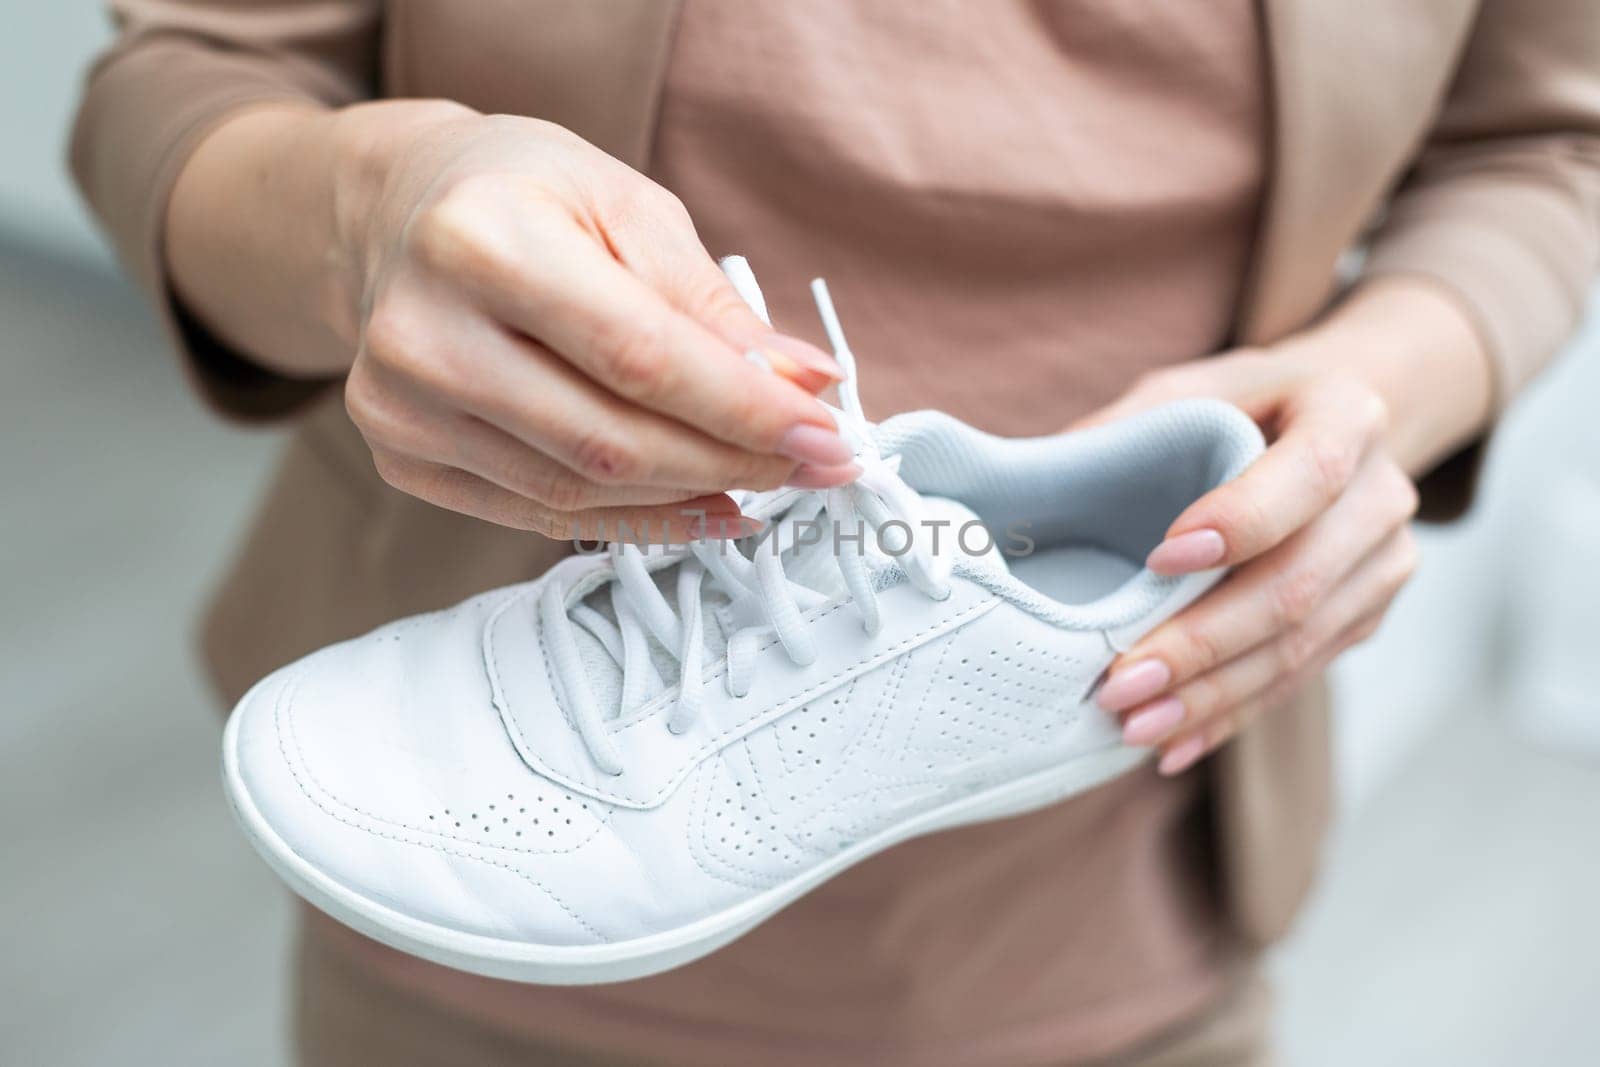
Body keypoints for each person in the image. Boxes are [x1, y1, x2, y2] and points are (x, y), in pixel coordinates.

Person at [71, 3, 1599, 1065]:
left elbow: (1548, 147)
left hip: (1128, 918)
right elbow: (187, 78)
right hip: (460, 917)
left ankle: (1025, 634)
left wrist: (1392, 381)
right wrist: (366, 213)